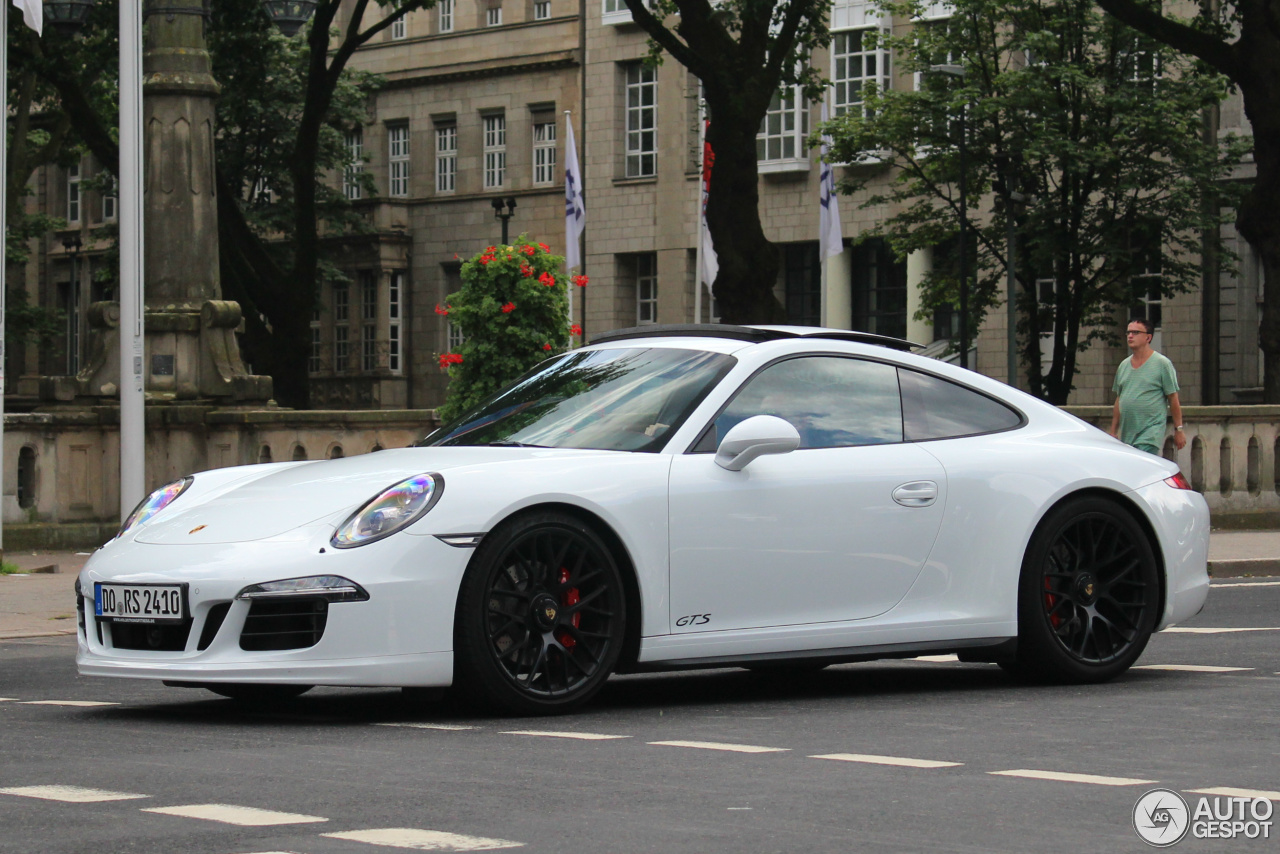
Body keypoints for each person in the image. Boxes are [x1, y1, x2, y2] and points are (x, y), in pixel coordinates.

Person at [1108, 318, 1186, 455]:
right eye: (1128, 332)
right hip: (1128, 434)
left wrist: (1178, 429)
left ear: (1148, 337)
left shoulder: (1162, 364)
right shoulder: (1123, 366)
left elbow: (1173, 398)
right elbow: (1120, 399)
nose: (1130, 336)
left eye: (1135, 332)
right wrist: (1113, 431)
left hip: (1150, 433)